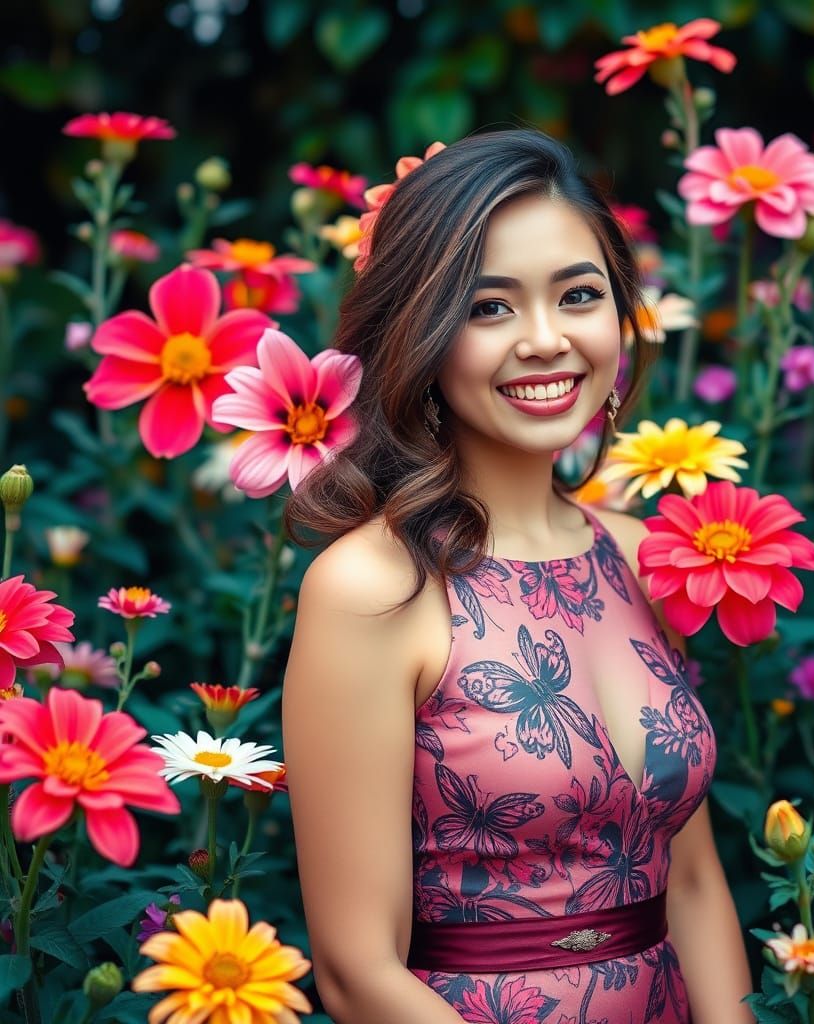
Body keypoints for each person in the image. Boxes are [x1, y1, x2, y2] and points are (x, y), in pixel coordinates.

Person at [282, 128, 754, 1023]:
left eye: (578, 295)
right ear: (420, 335)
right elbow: (354, 973)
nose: (546, 340)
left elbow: (690, 883)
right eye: (489, 308)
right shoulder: (372, 587)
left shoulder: (639, 553)